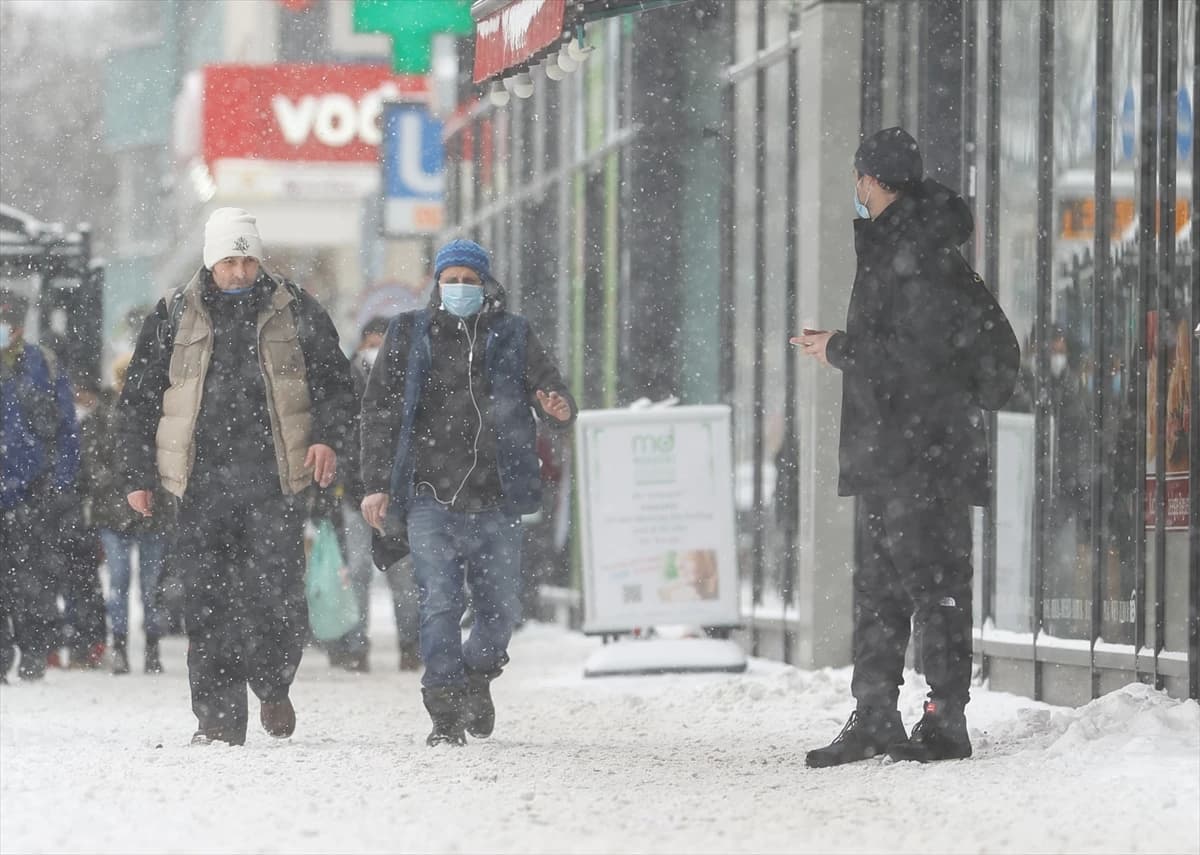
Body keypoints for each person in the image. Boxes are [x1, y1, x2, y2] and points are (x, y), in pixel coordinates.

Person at [116, 208, 354, 744]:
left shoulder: (295, 309)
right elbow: (138, 402)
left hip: (274, 483)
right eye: (230, 260)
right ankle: (218, 720)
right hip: (200, 487)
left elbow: (338, 385)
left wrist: (328, 438)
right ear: (210, 260)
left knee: (277, 597)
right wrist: (136, 475)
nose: (241, 272)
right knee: (206, 601)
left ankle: (273, 685)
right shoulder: (174, 313)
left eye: (248, 259)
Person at [794, 127, 988, 766]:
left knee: (934, 583)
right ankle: (876, 712)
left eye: (858, 177)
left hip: (921, 452)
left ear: (869, 180)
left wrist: (838, 349)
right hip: (893, 450)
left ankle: (945, 717)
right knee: (880, 585)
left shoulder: (918, 249)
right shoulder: (895, 243)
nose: (856, 188)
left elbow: (918, 357)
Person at [360, 239, 577, 746]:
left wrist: (557, 406)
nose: (459, 287)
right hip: (428, 496)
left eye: (468, 279)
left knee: (500, 609)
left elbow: (552, 392)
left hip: (497, 498)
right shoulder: (410, 333)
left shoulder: (513, 334)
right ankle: (443, 707)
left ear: (486, 284)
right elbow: (379, 413)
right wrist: (375, 485)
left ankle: (477, 677)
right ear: (436, 282)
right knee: (438, 601)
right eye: (450, 278)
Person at [327, 316, 422, 673]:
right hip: (355, 495)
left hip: (397, 495)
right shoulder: (346, 381)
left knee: (403, 575)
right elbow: (341, 435)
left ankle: (410, 645)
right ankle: (356, 645)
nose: (375, 347)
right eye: (371, 340)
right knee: (359, 571)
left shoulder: (407, 378)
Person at [0, 288, 81, 682]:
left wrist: (60, 482)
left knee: (34, 578)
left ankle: (34, 650)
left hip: (34, 490)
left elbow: (67, 429)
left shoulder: (42, 365)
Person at [88, 353, 169, 674]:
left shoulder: (154, 412)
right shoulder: (104, 415)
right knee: (124, 581)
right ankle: (123, 645)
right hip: (120, 510)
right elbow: (93, 463)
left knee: (148, 585)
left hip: (146, 510)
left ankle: (149, 646)